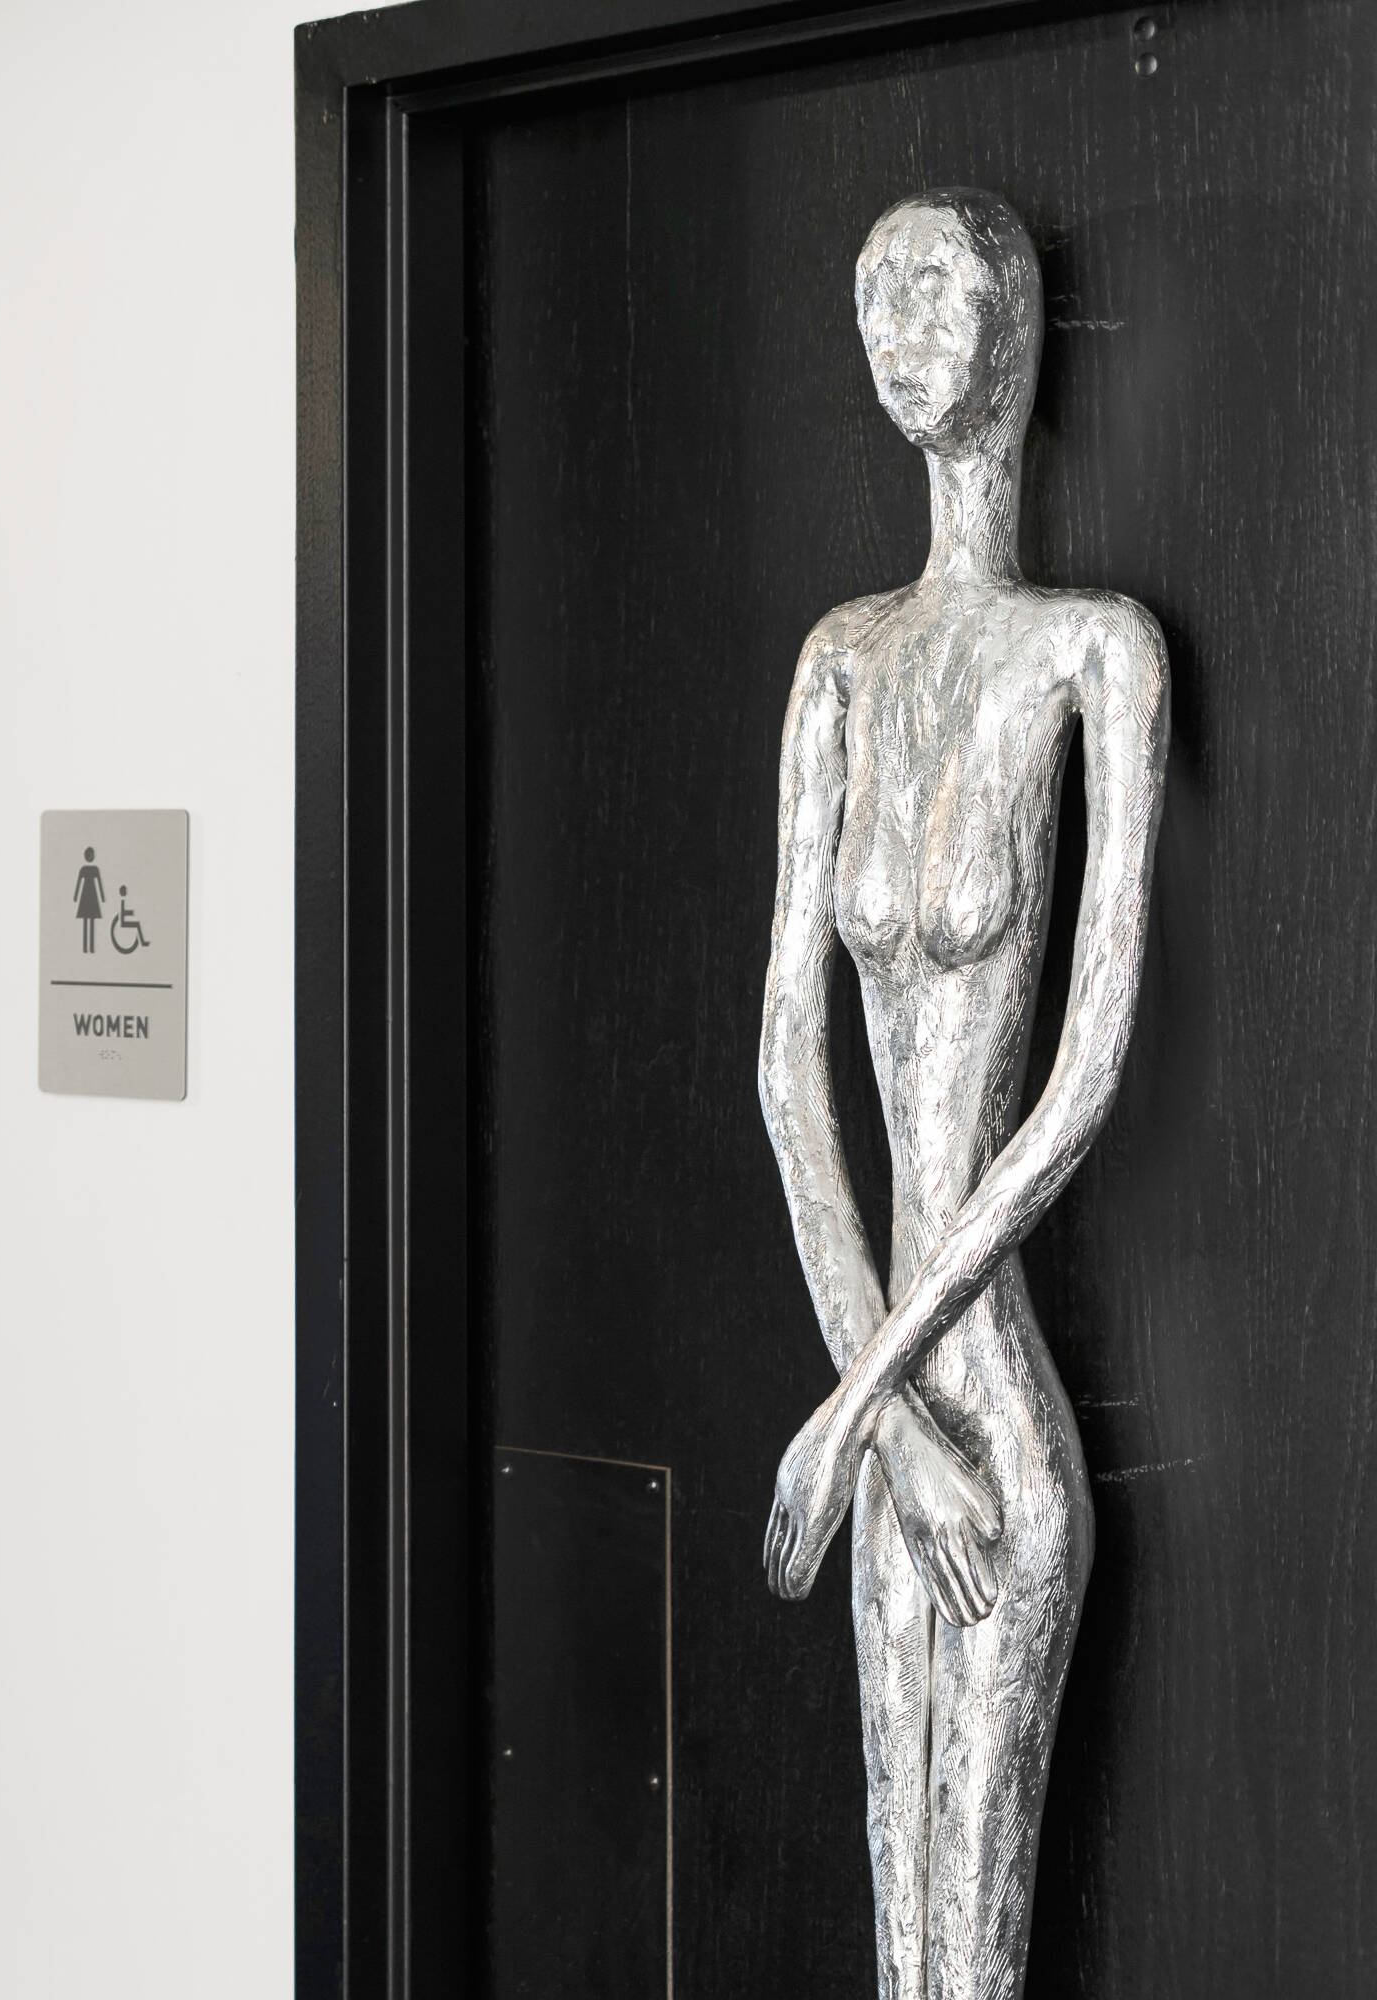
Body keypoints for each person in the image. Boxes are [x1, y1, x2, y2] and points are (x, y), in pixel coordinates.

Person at [755, 187, 1167, 2000]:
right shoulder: (841, 661)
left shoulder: (1096, 654)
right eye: (874, 297)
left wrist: (864, 1410)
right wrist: (880, 1431)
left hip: (986, 1419)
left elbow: (1083, 1074)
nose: (897, 329)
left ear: (1017, 327)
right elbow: (785, 1068)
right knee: (897, 1945)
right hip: (899, 1429)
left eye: (934, 290)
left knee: (971, 1960)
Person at [72, 847, 104, 953]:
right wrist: (75, 896)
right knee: (87, 922)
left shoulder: (93, 869)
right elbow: (79, 883)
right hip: (87, 896)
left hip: (90, 896)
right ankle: (86, 947)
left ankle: (90, 947)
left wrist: (102, 897)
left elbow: (99, 883)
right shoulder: (85, 869)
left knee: (90, 922)